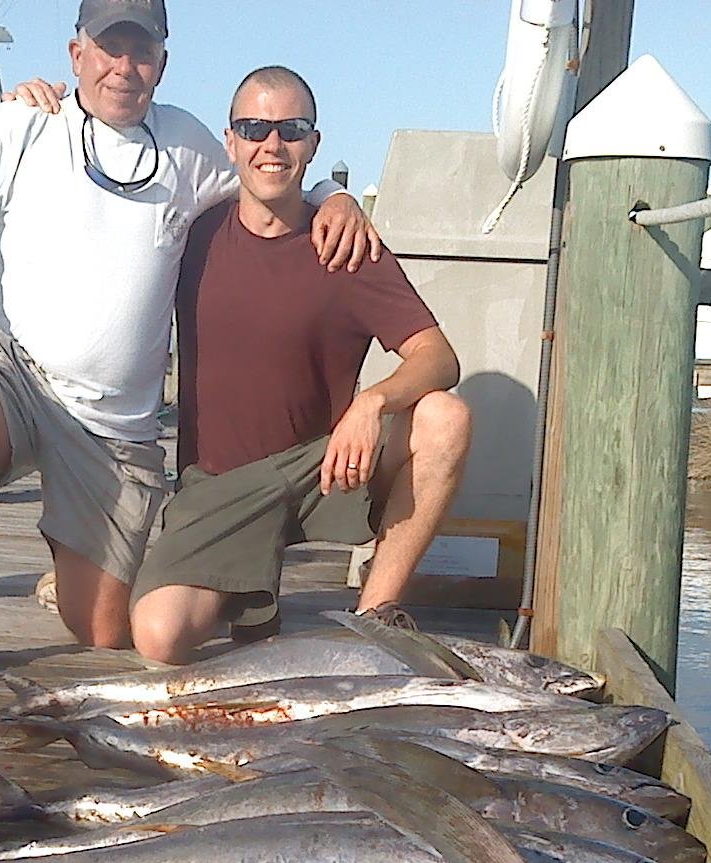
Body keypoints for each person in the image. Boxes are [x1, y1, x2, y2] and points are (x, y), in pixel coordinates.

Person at [0, 0, 378, 686]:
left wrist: (331, 195)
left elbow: (265, 184)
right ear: (76, 54)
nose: (124, 66)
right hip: (17, 379)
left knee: (109, 632)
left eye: (140, 51)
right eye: (108, 48)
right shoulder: (24, 124)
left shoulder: (187, 144)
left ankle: (71, 561)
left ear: (162, 65)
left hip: (114, 430)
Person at [127, 66, 473, 663]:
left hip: (323, 470)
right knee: (160, 638)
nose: (272, 144)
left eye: (292, 129)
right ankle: (248, 589)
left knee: (445, 417)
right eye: (255, 127)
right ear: (230, 141)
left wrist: (373, 402)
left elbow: (438, 357)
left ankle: (377, 619)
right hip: (220, 485)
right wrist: (40, 110)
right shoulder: (192, 235)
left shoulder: (346, 244)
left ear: (313, 144)